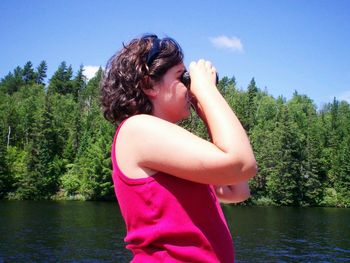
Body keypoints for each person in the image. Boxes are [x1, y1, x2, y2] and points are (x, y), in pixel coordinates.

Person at [100, 34, 257, 263]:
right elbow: (242, 164)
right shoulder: (137, 129)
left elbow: (238, 189)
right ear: (149, 84)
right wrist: (206, 90)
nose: (188, 87)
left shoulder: (169, 156)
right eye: (180, 77)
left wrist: (204, 108)